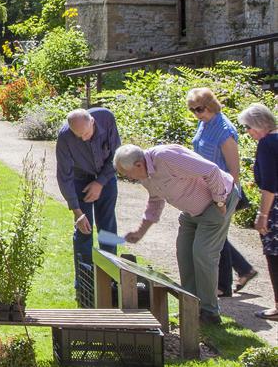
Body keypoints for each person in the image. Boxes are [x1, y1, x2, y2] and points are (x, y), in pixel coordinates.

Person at [116, 143, 237, 323]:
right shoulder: (146, 175)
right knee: (184, 254)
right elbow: (156, 200)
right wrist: (141, 231)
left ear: (138, 165)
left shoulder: (165, 157)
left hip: (217, 203)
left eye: (126, 173)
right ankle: (190, 308)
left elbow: (211, 170)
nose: (128, 177)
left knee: (203, 254)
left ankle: (209, 313)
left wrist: (219, 201)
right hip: (191, 211)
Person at [186, 88, 256, 297]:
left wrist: (223, 198)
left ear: (211, 105)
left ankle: (224, 285)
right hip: (205, 189)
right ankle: (244, 270)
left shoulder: (225, 131)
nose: (196, 114)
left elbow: (234, 171)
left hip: (222, 191)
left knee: (214, 235)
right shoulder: (204, 123)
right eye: (192, 111)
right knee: (216, 234)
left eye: (199, 109)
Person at [57, 108, 121, 270]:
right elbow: (65, 176)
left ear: (92, 121)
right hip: (80, 180)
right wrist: (77, 213)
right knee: (83, 231)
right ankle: (85, 284)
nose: (84, 139)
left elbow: (116, 154)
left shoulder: (106, 118)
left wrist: (100, 183)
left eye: (86, 133)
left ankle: (110, 276)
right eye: (79, 136)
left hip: (105, 177)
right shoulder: (65, 136)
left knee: (108, 229)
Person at [241, 103, 278, 319]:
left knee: (274, 256)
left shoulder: (267, 143)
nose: (247, 132)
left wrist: (262, 215)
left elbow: (270, 185)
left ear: (259, 124)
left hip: (275, 208)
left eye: (247, 127)